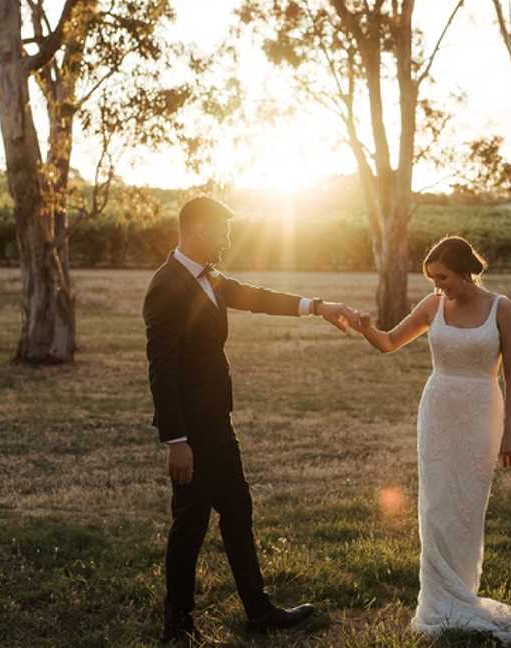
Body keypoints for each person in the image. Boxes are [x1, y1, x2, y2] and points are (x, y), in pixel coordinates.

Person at [142, 196, 359, 645]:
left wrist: (317, 306)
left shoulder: (208, 277)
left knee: (237, 512)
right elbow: (161, 369)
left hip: (217, 424)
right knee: (190, 525)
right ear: (198, 229)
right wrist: (176, 440)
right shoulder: (167, 286)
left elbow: (255, 297)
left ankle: (258, 612)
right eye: (221, 230)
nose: (226, 239)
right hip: (194, 433)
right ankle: (178, 626)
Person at [353, 235, 511, 643]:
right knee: (435, 507)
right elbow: (389, 342)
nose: (438, 286)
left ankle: (462, 592)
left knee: (467, 506)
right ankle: (436, 600)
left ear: (465, 271)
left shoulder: (501, 308)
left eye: (443, 277)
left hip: (483, 413)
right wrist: (365, 327)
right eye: (432, 279)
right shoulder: (433, 306)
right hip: (438, 412)